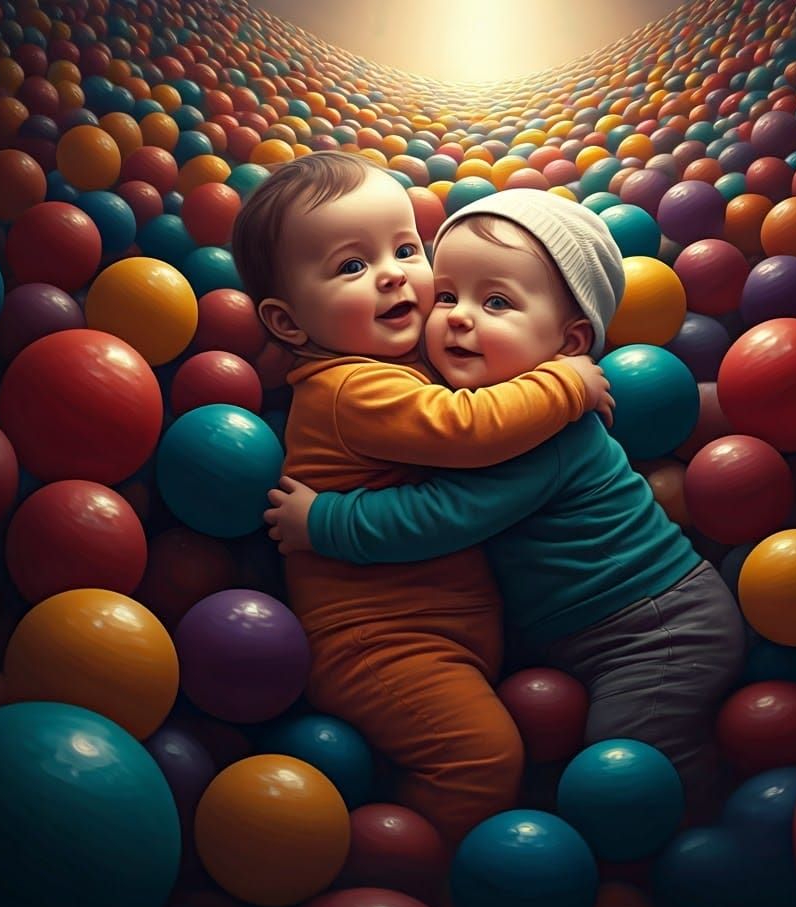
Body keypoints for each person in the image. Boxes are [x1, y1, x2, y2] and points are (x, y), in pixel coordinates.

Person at [265, 186, 749, 824]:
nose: (458, 317)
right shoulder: (433, 393)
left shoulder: (545, 434)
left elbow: (447, 512)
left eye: (495, 302)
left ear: (569, 343)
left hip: (657, 628)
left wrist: (324, 521)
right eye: (447, 296)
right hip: (586, 633)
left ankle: (689, 845)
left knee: (630, 762)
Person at [231, 151, 616, 845]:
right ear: (290, 325)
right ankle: (424, 890)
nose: (391, 273)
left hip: (446, 636)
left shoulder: (399, 359)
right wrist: (566, 383)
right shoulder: (355, 387)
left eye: (407, 248)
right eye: (351, 266)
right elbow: (466, 429)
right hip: (384, 645)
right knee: (482, 758)